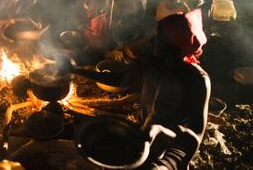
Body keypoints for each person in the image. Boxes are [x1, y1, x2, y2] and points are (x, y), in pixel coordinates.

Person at [75, 9, 210, 169]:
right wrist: (77, 70)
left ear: (171, 52)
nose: (149, 41)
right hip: (140, 134)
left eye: (157, 39)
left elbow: (195, 138)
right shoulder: (152, 59)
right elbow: (123, 79)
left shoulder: (195, 80)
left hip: (170, 148)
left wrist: (163, 134)